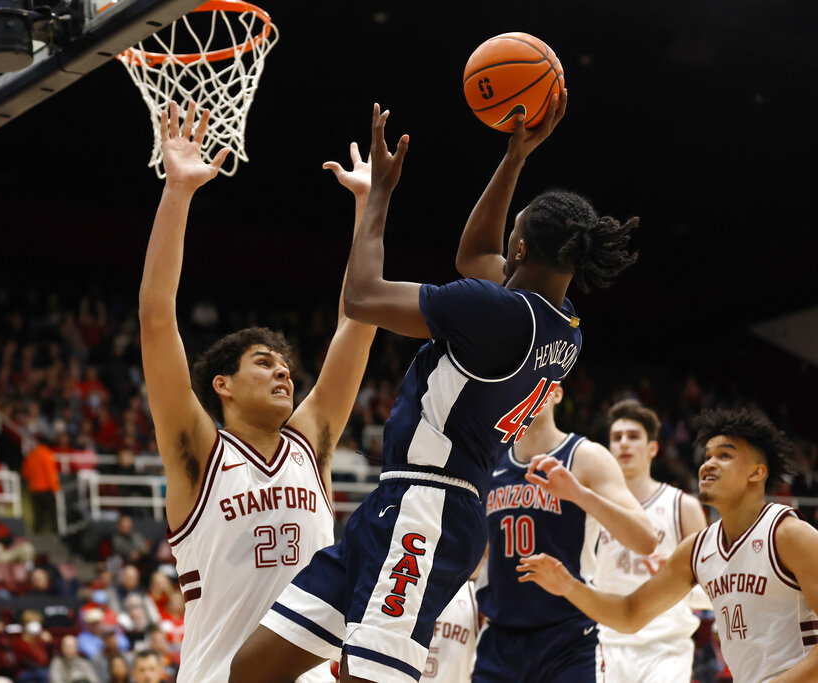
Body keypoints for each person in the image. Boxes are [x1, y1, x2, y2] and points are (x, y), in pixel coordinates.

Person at [234, 92, 639, 682]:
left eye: (515, 234)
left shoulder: (496, 314)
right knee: (252, 670)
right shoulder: (563, 325)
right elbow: (476, 252)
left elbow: (361, 297)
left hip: (429, 510)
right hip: (402, 501)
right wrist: (514, 157)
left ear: (520, 249)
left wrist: (379, 198)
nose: (504, 244)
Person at [138, 101, 376, 682]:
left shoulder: (308, 444)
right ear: (222, 385)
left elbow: (359, 317)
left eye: (286, 365)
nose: (283, 373)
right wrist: (179, 192)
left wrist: (369, 206)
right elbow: (155, 320)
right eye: (263, 363)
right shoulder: (199, 454)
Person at [518, 408, 818, 682]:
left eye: (724, 456)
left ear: (757, 472)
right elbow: (630, 613)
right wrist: (567, 584)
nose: (708, 464)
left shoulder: (790, 534)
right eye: (707, 456)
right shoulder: (697, 550)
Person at [472, 387, 657, 681]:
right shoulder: (488, 461)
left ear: (556, 394)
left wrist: (580, 494)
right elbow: (480, 551)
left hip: (567, 640)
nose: (524, 391)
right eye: (519, 384)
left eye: (535, 383)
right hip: (500, 639)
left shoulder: (586, 456)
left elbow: (646, 540)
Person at [592, 399, 709, 682]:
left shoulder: (683, 506)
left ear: (652, 448)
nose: (624, 444)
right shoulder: (593, 506)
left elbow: (711, 588)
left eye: (633, 437)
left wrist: (675, 578)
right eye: (616, 438)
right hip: (607, 644)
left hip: (666, 648)